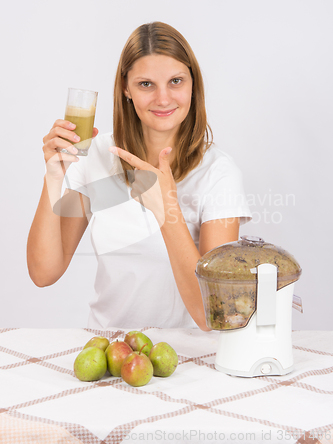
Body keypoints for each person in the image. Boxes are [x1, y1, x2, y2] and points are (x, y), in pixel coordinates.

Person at [27, 22, 252, 331]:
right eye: (146, 84)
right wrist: (53, 178)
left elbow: (211, 313)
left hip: (187, 360)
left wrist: (166, 207)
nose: (163, 98)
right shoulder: (98, 156)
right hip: (108, 351)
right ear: (126, 88)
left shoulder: (218, 174)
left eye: (175, 81)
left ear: (192, 85)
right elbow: (44, 272)